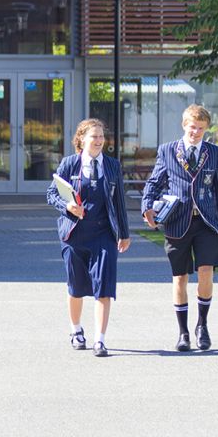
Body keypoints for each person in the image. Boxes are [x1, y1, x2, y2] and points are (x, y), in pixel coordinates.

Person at [141, 105, 218, 352]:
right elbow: (154, 182)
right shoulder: (168, 151)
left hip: (207, 222)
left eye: (201, 129)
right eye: (193, 127)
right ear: (184, 125)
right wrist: (147, 207)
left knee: (206, 272)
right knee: (180, 277)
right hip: (177, 221)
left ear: (206, 128)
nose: (196, 132)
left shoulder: (214, 153)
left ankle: (202, 326)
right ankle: (183, 332)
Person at [47, 118, 132, 357]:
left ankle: (100, 340)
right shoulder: (69, 164)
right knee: (76, 287)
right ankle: (75, 330)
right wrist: (68, 207)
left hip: (104, 233)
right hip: (74, 235)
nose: (98, 141)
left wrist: (124, 233)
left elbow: (119, 202)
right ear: (81, 139)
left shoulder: (112, 166)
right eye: (93, 136)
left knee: (103, 287)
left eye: (101, 136)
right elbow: (51, 193)